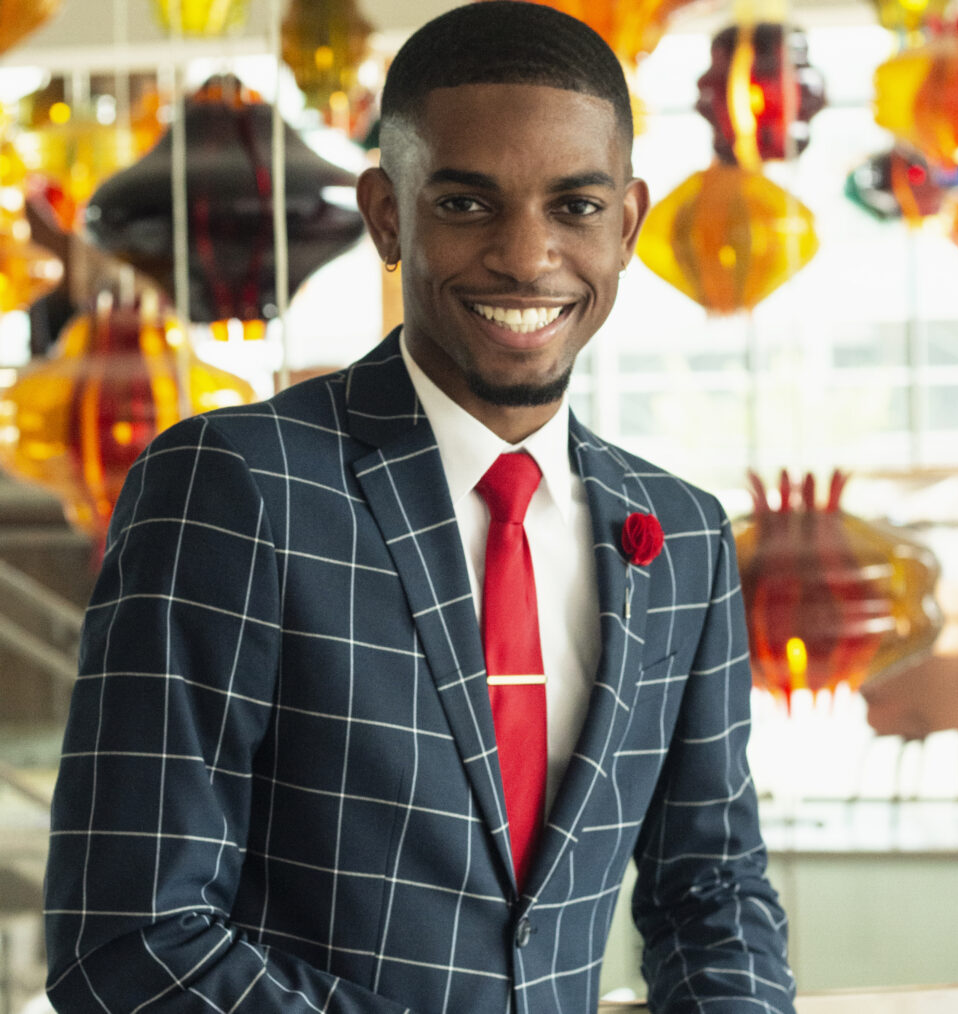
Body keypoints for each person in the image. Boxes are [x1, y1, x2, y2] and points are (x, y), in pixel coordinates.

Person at [44, 3, 796, 1012]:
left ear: (625, 227)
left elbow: (711, 890)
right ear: (388, 214)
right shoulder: (236, 487)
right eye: (468, 205)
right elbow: (130, 937)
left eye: (574, 207)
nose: (527, 258)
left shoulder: (684, 536)